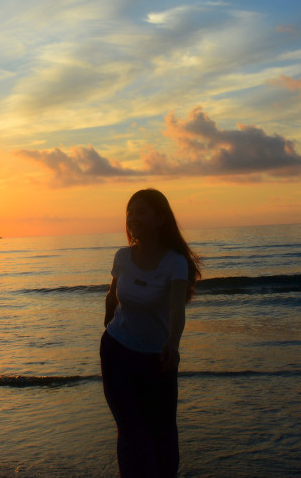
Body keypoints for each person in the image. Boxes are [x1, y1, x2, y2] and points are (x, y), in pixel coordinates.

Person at [101, 188, 201, 477]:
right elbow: (112, 295)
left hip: (157, 358)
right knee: (130, 430)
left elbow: (176, 309)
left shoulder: (175, 263)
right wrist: (107, 326)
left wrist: (173, 342)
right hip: (117, 352)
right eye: (129, 213)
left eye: (140, 211)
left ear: (160, 218)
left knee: (162, 431)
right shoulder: (122, 256)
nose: (132, 218)